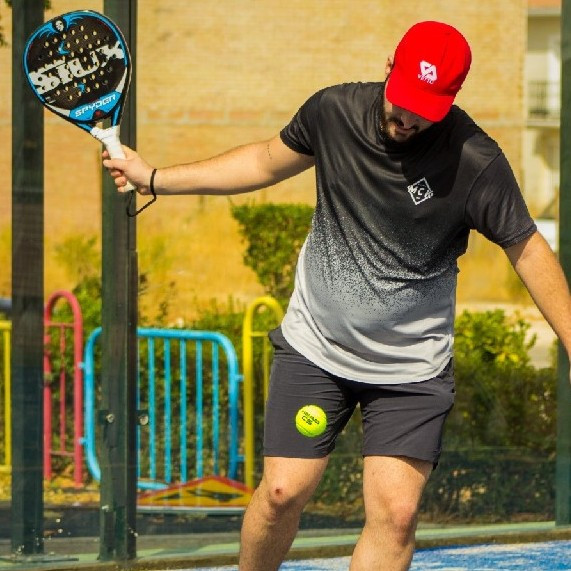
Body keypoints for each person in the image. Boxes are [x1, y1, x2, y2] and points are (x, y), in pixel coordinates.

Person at [103, 20, 571, 571]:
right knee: (282, 493)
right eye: (403, 99)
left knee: (396, 514)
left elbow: (528, 250)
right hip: (317, 348)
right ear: (389, 67)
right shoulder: (333, 112)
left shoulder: (475, 161)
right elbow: (262, 161)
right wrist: (155, 177)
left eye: (425, 110)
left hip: (410, 369)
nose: (408, 118)